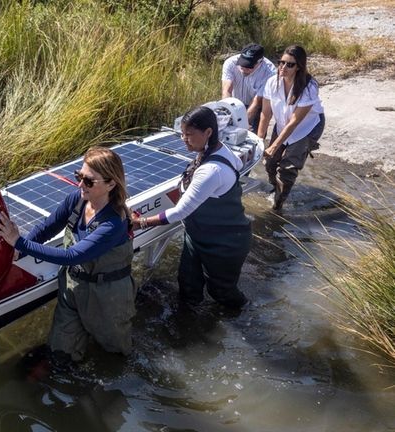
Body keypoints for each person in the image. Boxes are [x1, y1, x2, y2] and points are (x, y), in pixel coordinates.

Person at [0, 147, 135, 362]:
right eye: (79, 176)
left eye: (89, 181)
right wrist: (18, 249)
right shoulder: (77, 199)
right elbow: (47, 227)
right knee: (60, 354)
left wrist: (18, 241)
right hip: (72, 287)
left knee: (114, 355)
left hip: (107, 296)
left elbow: (72, 256)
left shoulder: (114, 222)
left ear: (111, 184)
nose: (80, 185)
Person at [132, 106, 251, 310]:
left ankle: (244, 317)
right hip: (197, 237)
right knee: (188, 286)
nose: (184, 140)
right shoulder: (214, 149)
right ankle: (188, 326)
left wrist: (140, 223)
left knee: (221, 292)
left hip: (225, 243)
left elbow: (180, 212)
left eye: (189, 135)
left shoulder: (211, 170)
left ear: (208, 132)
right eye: (182, 134)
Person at [258, 45, 325, 211]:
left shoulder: (309, 87)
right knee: (270, 163)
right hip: (282, 124)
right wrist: (260, 139)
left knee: (287, 168)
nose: (283, 67)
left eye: (290, 64)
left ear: (299, 67)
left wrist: (274, 146)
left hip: (305, 128)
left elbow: (294, 122)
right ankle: (276, 187)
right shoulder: (272, 83)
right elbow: (265, 114)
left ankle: (277, 206)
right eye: (281, 63)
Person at [222, 43, 277, 132]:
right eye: (242, 65)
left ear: (260, 62)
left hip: (257, 106)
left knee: (251, 134)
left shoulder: (270, 73)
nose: (244, 69)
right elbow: (227, 90)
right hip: (235, 103)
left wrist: (242, 125)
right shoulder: (230, 63)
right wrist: (227, 114)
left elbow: (256, 101)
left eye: (249, 67)